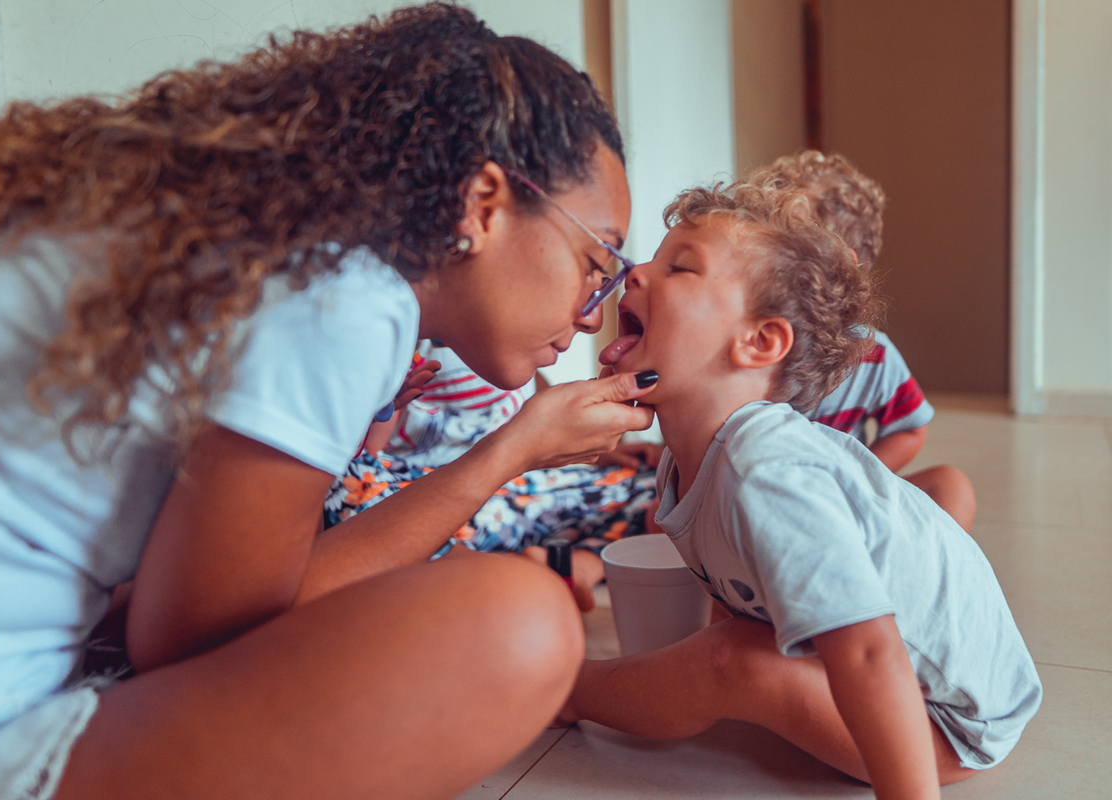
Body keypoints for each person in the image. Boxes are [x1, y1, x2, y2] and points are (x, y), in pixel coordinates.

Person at [0, 5, 660, 799]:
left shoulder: (272, 249)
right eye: (596, 259)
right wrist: (507, 454)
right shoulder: (343, 296)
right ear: (482, 203)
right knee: (523, 630)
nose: (593, 310)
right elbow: (192, 637)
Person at [560, 181, 1041, 798]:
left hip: (948, 725)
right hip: (914, 696)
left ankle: (567, 690)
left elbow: (870, 654)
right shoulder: (688, 460)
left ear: (758, 343)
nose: (637, 272)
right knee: (725, 646)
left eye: (679, 267)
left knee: (729, 659)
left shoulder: (767, 468)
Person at [325, 339, 662, 609]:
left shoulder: (517, 351)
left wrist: (600, 454)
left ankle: (578, 565)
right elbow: (364, 468)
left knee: (648, 486)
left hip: (513, 481)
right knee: (363, 493)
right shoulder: (409, 342)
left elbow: (532, 395)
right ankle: (566, 567)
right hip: (448, 486)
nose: (589, 321)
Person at [748, 150, 976, 530]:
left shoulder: (872, 354)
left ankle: (910, 576)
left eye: (786, 252)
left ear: (844, 273)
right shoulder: (749, 348)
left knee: (951, 485)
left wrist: (856, 476)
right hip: (765, 509)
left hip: (845, 504)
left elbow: (910, 428)